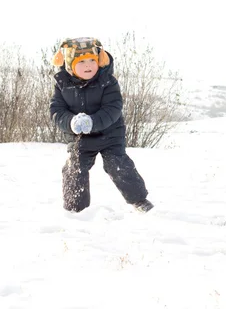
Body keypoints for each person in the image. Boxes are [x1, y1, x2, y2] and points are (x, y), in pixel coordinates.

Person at [50, 37, 153, 213]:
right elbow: (56, 111)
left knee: (117, 164)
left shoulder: (107, 82)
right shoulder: (62, 84)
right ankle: (76, 210)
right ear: (69, 65)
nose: (88, 64)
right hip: (80, 137)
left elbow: (113, 108)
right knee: (73, 167)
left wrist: (93, 122)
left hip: (109, 134)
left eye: (92, 59)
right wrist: (70, 122)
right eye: (81, 61)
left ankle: (139, 200)